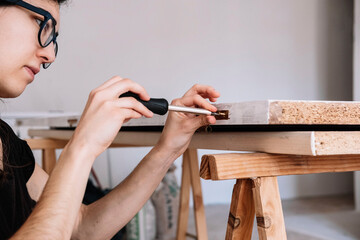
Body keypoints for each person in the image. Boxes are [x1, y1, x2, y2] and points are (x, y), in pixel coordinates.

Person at [0, 0, 221, 239]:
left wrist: (167, 150)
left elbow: (80, 227)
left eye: (53, 38)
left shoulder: (8, 144)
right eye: (40, 22)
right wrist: (81, 146)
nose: (50, 55)